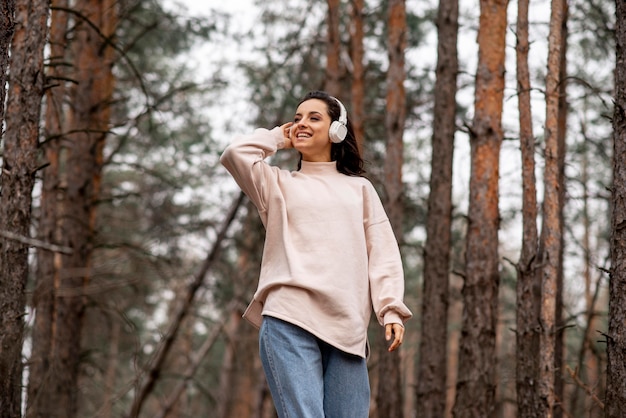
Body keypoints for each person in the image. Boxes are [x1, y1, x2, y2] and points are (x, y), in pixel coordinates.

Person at [220, 90, 412, 417]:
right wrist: (279, 137)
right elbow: (235, 154)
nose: (301, 124)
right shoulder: (276, 185)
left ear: (337, 130)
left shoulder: (360, 190)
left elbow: (382, 252)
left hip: (347, 330)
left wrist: (390, 309)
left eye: (314, 117)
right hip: (289, 319)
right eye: (297, 118)